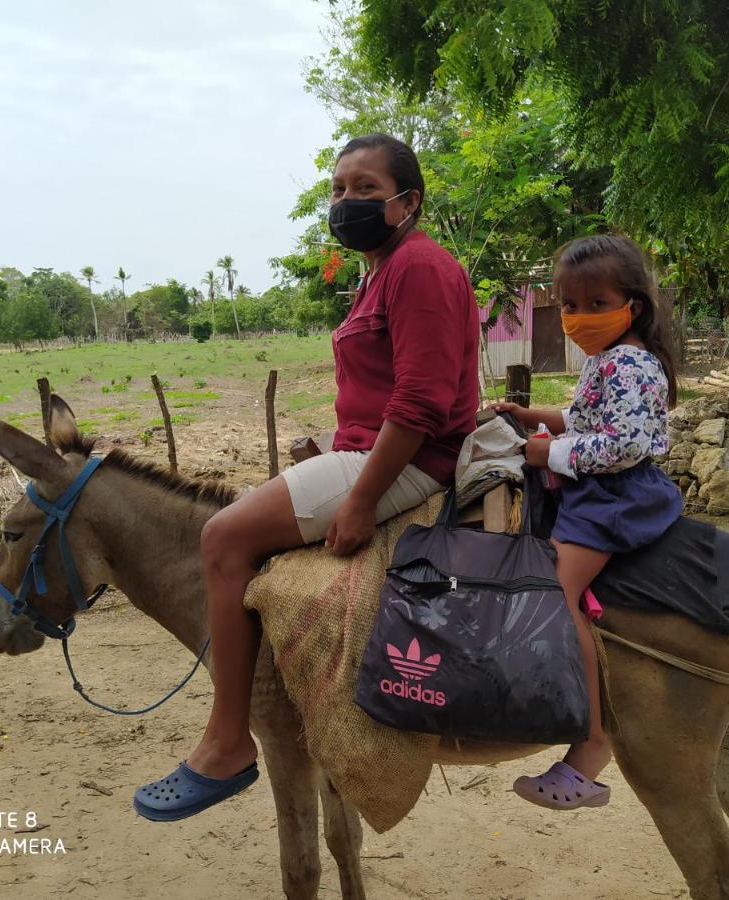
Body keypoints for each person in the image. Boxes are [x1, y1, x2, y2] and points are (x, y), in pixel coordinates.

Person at [134, 134, 480, 821]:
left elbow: (420, 401)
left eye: (365, 189)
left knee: (223, 538)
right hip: (371, 447)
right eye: (338, 188)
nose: (345, 200)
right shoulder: (383, 269)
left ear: (406, 203)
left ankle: (229, 741)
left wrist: (360, 499)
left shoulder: (418, 267)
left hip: (407, 457)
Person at [492, 234, 682, 811]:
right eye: (569, 305)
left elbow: (620, 444)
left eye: (596, 304)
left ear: (633, 306)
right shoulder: (609, 360)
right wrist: (533, 416)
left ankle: (592, 746)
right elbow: (583, 416)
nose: (578, 317)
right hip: (599, 488)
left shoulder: (632, 363)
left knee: (554, 591)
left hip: (613, 497)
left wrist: (544, 453)